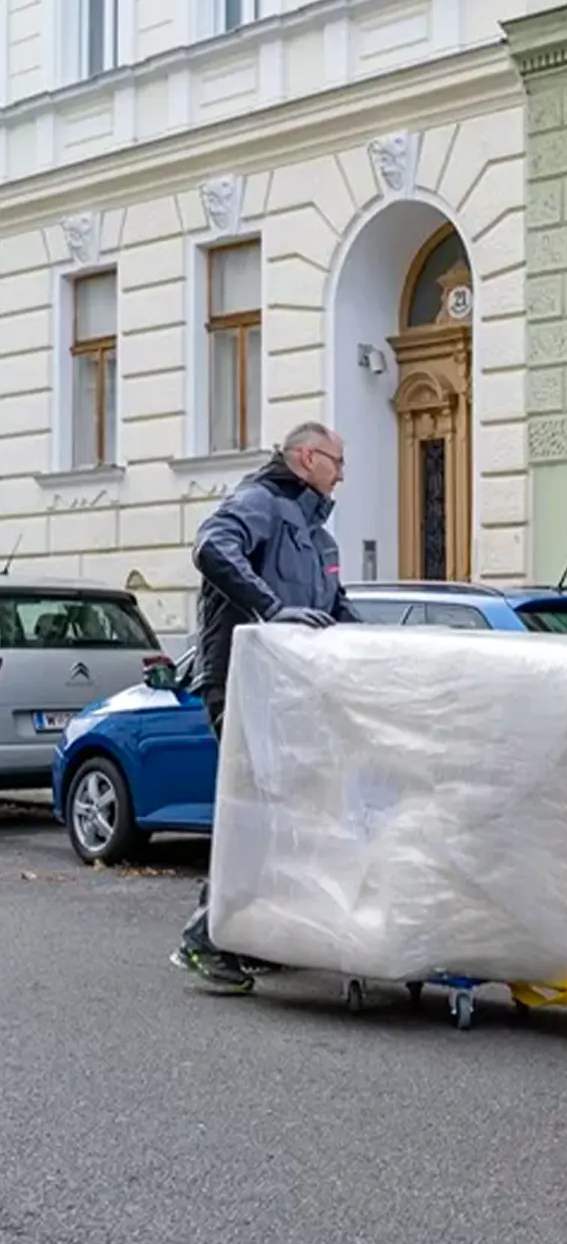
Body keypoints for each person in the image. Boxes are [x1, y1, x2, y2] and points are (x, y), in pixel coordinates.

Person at [170, 421, 358, 992]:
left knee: (287, 814)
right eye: (336, 461)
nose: (343, 473)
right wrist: (270, 608)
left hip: (290, 693)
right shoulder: (261, 502)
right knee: (254, 812)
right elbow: (211, 548)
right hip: (241, 684)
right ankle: (204, 938)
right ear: (306, 457)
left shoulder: (319, 537)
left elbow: (336, 608)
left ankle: (248, 934)